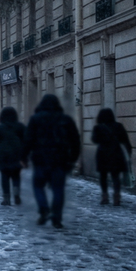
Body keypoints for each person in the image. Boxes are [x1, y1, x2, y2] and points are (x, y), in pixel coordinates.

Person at [23, 94, 81, 228]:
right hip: (60, 160)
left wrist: (23, 157)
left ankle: (44, 209)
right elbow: (75, 140)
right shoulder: (65, 120)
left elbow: (28, 140)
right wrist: (73, 158)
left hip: (40, 159)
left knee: (38, 186)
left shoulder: (36, 119)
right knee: (58, 189)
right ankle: (56, 217)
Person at [0, 107, 26, 206]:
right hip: (16, 154)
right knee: (16, 176)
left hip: (3, 155)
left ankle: (6, 198)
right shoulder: (20, 127)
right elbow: (26, 141)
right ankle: (16, 195)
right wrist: (26, 156)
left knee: (5, 176)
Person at [91, 108, 132, 206]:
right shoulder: (119, 126)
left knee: (103, 177)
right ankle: (116, 197)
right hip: (116, 154)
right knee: (115, 177)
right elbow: (126, 141)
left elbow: (94, 140)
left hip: (103, 154)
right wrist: (129, 155)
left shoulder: (98, 127)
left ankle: (105, 197)